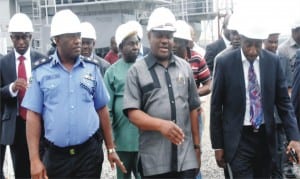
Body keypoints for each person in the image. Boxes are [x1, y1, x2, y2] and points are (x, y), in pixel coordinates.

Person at [21, 9, 126, 178]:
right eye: (71, 36)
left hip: (89, 155)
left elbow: (102, 110)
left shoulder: (91, 69)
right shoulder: (41, 71)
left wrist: (110, 148)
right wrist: (34, 160)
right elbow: (33, 116)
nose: (78, 41)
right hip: (56, 157)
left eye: (78, 35)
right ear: (57, 39)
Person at [210, 18, 300, 178]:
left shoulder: (273, 62)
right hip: (238, 140)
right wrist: (218, 145)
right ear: (241, 38)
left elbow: (284, 104)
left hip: (265, 139)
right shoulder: (225, 63)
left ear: (262, 42)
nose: (252, 51)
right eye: (248, 44)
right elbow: (216, 107)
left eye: (257, 45)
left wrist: (294, 137)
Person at [123, 7, 201, 178]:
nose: (165, 40)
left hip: (185, 157)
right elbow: (132, 113)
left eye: (169, 36)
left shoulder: (185, 68)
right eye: (160, 35)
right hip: (154, 161)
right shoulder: (137, 71)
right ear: (149, 35)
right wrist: (161, 125)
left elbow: (193, 108)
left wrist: (197, 147)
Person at [0, 13, 46, 178]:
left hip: (39, 122)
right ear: (11, 38)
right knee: (21, 170)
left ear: (31, 36)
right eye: (17, 38)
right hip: (17, 124)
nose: (21, 42)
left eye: (25, 37)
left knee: (42, 166)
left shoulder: (41, 60)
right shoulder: (3, 63)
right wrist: (12, 88)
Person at [173, 20, 211, 179]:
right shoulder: (166, 61)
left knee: (194, 150)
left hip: (194, 112)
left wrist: (192, 93)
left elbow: (208, 85)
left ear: (187, 43)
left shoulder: (196, 58)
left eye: (178, 42)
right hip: (172, 115)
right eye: (173, 41)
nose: (174, 45)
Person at [104, 21, 141, 179]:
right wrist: (111, 141)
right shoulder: (111, 72)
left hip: (144, 140)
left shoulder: (147, 68)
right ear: (120, 47)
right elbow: (107, 110)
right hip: (122, 140)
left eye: (137, 43)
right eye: (131, 44)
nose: (136, 47)